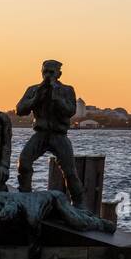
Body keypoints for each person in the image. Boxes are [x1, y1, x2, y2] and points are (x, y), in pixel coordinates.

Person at [15, 59, 84, 207]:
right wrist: (36, 97)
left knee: (70, 171)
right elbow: (20, 110)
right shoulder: (33, 89)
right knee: (24, 162)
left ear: (59, 74)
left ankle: (79, 204)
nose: (47, 75)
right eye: (45, 71)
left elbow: (70, 111)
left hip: (59, 135)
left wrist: (57, 98)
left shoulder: (67, 90)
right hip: (40, 134)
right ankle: (25, 195)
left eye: (51, 72)